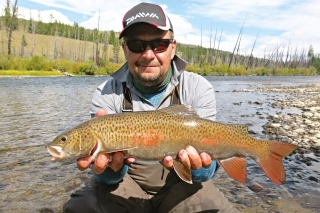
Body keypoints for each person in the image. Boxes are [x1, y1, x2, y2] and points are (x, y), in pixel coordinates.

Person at [63, 2, 239, 213]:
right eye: (137, 44)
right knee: (80, 208)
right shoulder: (106, 92)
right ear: (125, 49)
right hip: (125, 186)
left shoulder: (198, 87)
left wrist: (201, 169)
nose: (148, 54)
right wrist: (109, 170)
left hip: (181, 187)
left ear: (173, 48)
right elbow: (106, 178)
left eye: (159, 45)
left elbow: (206, 172)